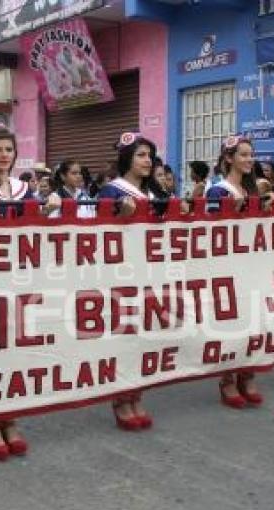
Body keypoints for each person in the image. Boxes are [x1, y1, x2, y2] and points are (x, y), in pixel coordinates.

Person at [0, 121, 60, 461]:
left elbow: (35, 228)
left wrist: (46, 212)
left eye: (9, 149)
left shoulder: (23, 188)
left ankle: (11, 418)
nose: (4, 155)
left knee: (16, 348)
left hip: (21, 276)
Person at [96, 131, 170, 430]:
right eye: (140, 155)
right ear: (127, 158)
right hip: (122, 273)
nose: (147, 161)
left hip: (151, 271)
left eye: (150, 156)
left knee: (144, 336)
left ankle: (137, 392)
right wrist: (119, 216)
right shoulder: (111, 191)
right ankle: (120, 396)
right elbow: (97, 232)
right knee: (124, 336)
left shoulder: (157, 193)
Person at [205, 134, 264, 409]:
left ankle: (247, 372)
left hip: (252, 262)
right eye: (242, 154)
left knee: (254, 318)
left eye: (251, 154)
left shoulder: (253, 190)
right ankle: (227, 378)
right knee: (232, 322)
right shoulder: (217, 191)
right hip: (227, 265)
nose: (249, 159)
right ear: (228, 159)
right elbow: (211, 230)